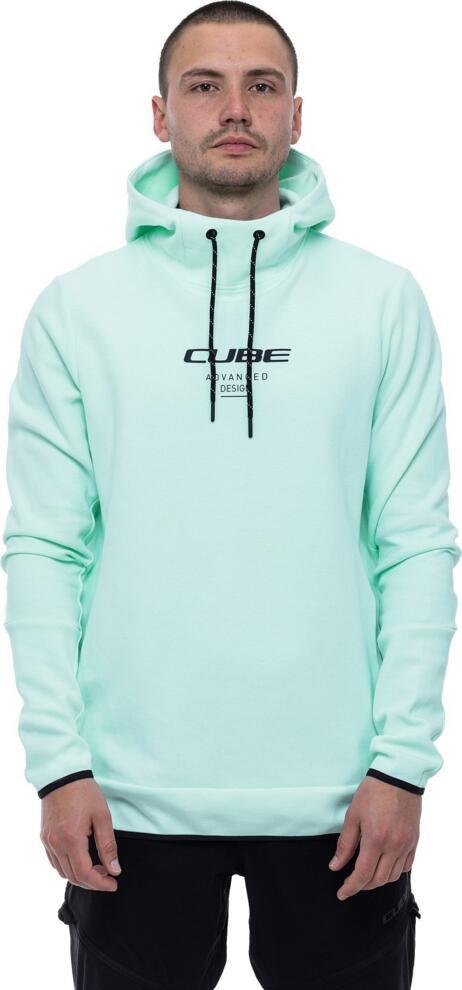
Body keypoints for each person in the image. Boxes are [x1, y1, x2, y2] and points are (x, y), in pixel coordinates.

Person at [2, 2, 459, 988]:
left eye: (262, 85)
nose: (235, 108)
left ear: (297, 114)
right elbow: (43, 548)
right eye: (204, 85)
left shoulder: (383, 301)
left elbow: (417, 543)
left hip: (343, 796)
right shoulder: (77, 309)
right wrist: (59, 764)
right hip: (129, 795)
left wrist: (402, 764)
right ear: (160, 114)